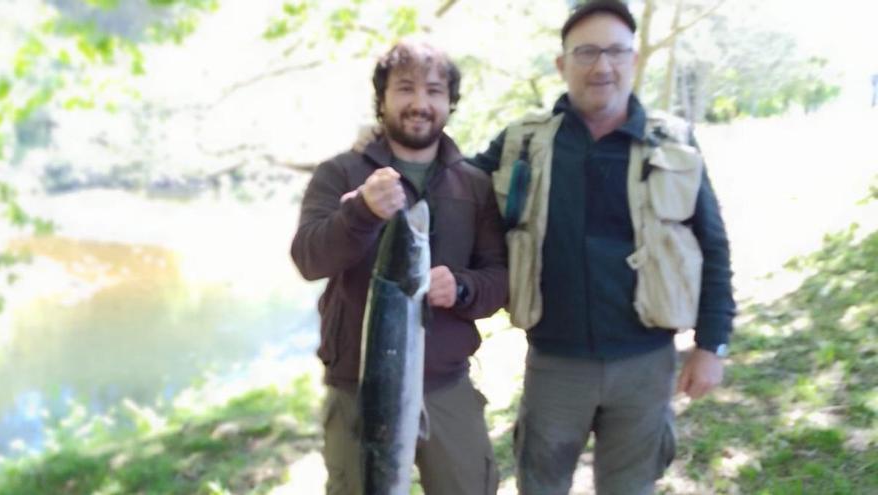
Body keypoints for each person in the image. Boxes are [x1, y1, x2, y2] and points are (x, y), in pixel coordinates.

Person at [469, 1, 736, 494]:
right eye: (586, 52)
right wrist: (383, 159)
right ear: (561, 64)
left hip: (646, 364)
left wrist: (711, 344)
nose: (602, 66)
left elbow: (713, 246)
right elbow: (452, 185)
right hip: (554, 365)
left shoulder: (673, 143)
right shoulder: (522, 142)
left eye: (616, 51)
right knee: (541, 485)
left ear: (634, 60)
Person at [291, 40, 507, 495]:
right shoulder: (341, 175)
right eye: (405, 88)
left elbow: (500, 280)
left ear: (450, 102)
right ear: (382, 98)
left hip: (447, 386)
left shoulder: (474, 183)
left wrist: (464, 289)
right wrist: (360, 213)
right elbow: (308, 258)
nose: (419, 103)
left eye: (433, 90)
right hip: (357, 394)